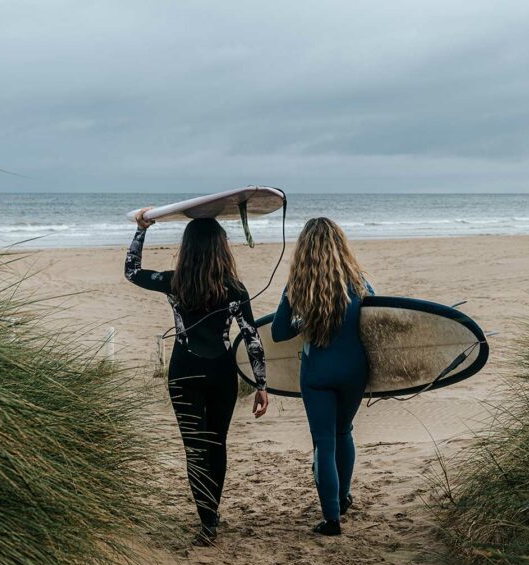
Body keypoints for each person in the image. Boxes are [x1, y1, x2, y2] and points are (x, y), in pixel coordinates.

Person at [126, 210, 269, 546]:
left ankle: (206, 520)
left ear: (187, 248)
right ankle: (212, 513)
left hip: (183, 373)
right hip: (222, 374)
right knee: (216, 444)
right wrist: (261, 384)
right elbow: (252, 338)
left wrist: (140, 230)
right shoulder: (234, 289)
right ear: (222, 249)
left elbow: (131, 271)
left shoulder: (174, 282)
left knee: (195, 449)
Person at [271, 217, 373, 536]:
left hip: (317, 374)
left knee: (324, 444)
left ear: (305, 250)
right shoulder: (359, 283)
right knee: (344, 432)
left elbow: (277, 332)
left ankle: (332, 519)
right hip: (354, 372)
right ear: (341, 246)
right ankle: (342, 498)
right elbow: (375, 323)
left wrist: (305, 320)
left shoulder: (298, 287)